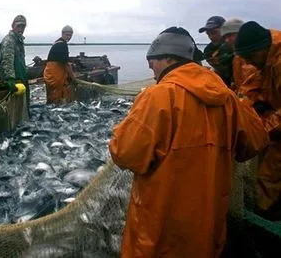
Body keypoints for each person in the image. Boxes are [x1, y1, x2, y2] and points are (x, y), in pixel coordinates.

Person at [109, 26, 269, 257]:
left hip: (160, 229)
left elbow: (124, 154)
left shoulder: (158, 96)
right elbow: (256, 141)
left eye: (152, 60)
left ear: (168, 58)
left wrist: (120, 130)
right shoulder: (228, 98)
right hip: (210, 226)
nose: (149, 67)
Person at [235, 21, 281, 219]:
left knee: (268, 179)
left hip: (275, 128)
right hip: (274, 124)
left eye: (252, 58)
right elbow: (249, 89)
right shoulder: (261, 59)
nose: (250, 63)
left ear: (264, 48)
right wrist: (243, 114)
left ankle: (267, 219)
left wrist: (260, 130)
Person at [0, 15, 30, 110]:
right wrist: (10, 78)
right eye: (18, 26)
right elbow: (7, 60)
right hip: (13, 80)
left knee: (24, 105)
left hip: (21, 77)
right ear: (13, 26)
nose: (21, 29)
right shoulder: (9, 41)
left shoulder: (19, 41)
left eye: (23, 26)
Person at [220, 18, 256, 93]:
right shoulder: (236, 58)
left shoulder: (258, 54)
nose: (227, 40)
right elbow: (238, 85)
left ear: (242, 33)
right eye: (225, 37)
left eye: (230, 35)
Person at [43, 25, 77, 104]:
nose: (69, 37)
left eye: (70, 35)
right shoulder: (62, 45)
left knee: (52, 95)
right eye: (67, 35)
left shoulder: (57, 43)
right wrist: (73, 79)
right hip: (55, 76)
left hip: (49, 73)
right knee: (57, 96)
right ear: (62, 33)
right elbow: (66, 64)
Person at [199, 16, 235, 86]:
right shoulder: (208, 52)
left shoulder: (237, 48)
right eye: (208, 34)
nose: (211, 37)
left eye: (214, 32)